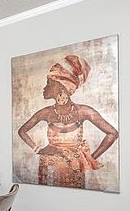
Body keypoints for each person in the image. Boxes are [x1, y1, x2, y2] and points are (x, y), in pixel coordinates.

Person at [17, 55, 119, 188]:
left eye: (48, 83)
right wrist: (37, 149)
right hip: (48, 168)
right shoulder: (46, 112)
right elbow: (22, 131)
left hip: (74, 169)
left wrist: (90, 158)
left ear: (61, 87)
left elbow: (113, 133)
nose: (44, 88)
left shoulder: (83, 111)